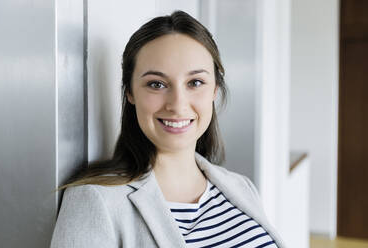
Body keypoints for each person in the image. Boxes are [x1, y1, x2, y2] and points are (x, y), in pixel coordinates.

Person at [50, 11, 286, 248]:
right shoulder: (94, 201)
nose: (178, 105)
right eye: (157, 84)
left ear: (215, 89)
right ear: (130, 92)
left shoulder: (240, 187)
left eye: (195, 83)